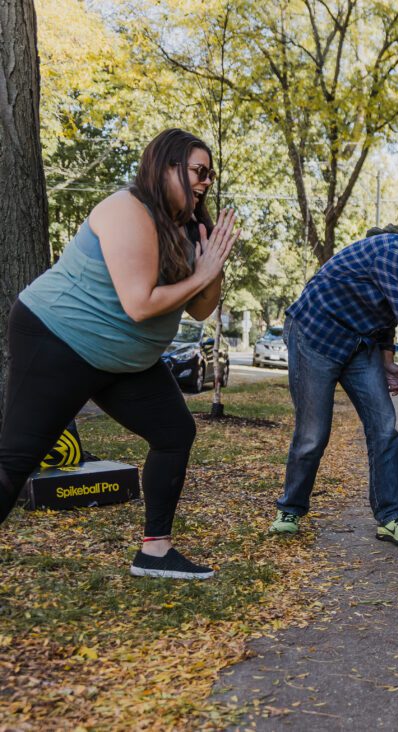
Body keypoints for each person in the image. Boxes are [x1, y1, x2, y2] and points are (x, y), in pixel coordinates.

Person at [0, 128, 240, 579]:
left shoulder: (188, 229)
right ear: (167, 166)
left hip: (125, 362)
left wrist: (213, 268)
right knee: (17, 462)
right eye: (198, 171)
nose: (207, 181)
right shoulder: (127, 210)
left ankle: (154, 552)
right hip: (58, 339)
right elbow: (138, 303)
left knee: (174, 432)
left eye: (210, 173)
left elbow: (202, 309)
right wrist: (202, 270)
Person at [268, 196, 398, 546]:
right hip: (315, 336)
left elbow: (388, 314)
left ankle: (391, 517)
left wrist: (387, 358)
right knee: (314, 433)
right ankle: (290, 508)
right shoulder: (395, 251)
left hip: (358, 343)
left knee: (384, 428)